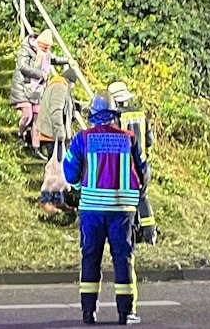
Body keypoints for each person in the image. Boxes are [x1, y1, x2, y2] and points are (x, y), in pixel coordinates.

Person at [64, 94, 147, 325]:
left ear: (93, 116)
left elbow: (70, 170)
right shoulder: (129, 139)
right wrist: (136, 195)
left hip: (91, 210)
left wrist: (81, 186)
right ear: (114, 115)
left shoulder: (83, 139)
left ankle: (88, 313)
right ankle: (125, 313)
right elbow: (143, 172)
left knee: (90, 258)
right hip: (122, 211)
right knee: (123, 259)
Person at [108, 80, 158, 244]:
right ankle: (150, 234)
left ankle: (128, 234)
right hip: (143, 164)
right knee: (142, 197)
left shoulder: (116, 117)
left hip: (125, 166)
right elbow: (150, 140)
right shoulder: (141, 115)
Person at [36, 63, 82, 213]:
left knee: (59, 169)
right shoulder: (60, 88)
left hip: (54, 134)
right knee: (53, 168)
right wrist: (61, 133)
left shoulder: (58, 86)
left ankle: (58, 199)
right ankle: (46, 199)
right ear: (70, 82)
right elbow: (56, 111)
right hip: (52, 135)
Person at [9, 31, 51, 157]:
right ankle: (20, 134)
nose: (45, 51)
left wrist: (67, 60)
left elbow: (53, 59)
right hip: (22, 86)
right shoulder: (25, 50)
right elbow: (23, 67)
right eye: (44, 47)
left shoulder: (44, 53)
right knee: (27, 114)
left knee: (37, 117)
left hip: (36, 89)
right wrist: (40, 74)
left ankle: (36, 148)